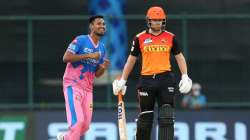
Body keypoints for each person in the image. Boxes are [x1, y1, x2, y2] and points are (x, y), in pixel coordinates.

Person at [112, 6, 192, 140]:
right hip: (147, 80)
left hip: (165, 79)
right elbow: (131, 60)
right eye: (154, 20)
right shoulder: (140, 38)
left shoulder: (170, 37)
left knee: (166, 115)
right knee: (145, 118)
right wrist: (123, 80)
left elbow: (179, 57)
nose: (157, 23)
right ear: (148, 20)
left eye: (159, 20)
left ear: (163, 21)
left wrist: (185, 76)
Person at [57, 15, 110, 140]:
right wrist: (89, 55)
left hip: (88, 89)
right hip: (73, 85)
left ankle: (65, 138)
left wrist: (103, 68)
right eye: (99, 23)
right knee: (77, 122)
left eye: (103, 24)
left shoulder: (102, 48)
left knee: (85, 126)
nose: (102, 26)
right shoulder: (81, 40)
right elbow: (66, 58)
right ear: (91, 26)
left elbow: (96, 74)